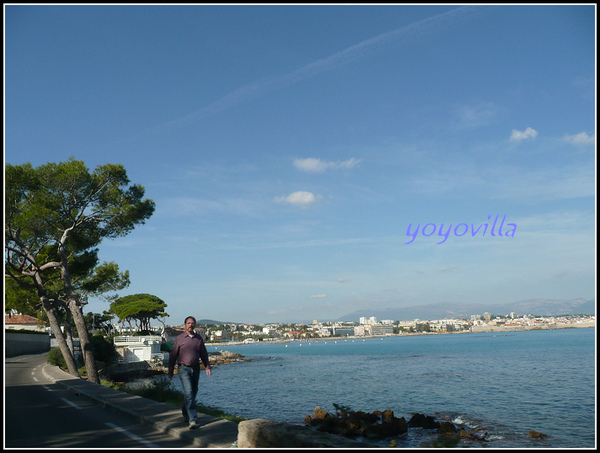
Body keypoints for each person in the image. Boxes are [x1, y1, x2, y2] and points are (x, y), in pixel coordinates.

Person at [167, 316, 212, 429]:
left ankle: (185, 410)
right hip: (183, 369)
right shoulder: (179, 338)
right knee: (189, 393)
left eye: (192, 323)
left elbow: (204, 354)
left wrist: (207, 366)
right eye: (188, 323)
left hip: (196, 368)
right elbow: (173, 356)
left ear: (195, 325)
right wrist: (170, 371)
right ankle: (193, 420)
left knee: (193, 392)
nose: (190, 325)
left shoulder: (198, 338)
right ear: (185, 325)